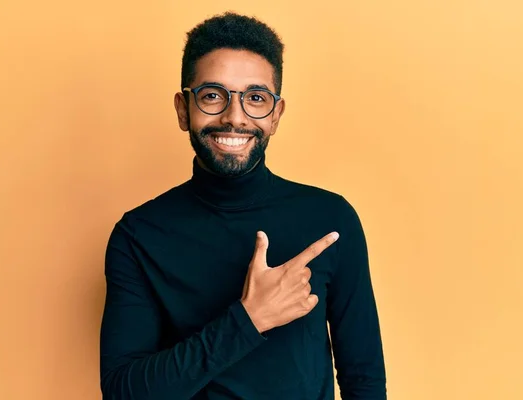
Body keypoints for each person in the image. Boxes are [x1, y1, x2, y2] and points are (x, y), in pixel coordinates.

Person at [99, 12, 386, 400]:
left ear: (276, 115)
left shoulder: (330, 220)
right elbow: (122, 392)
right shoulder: (138, 235)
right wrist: (249, 319)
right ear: (184, 109)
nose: (234, 118)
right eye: (213, 95)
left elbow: (363, 380)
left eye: (255, 98)